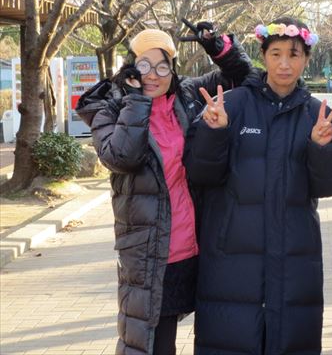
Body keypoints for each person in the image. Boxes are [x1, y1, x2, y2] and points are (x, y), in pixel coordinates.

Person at [76, 27, 251, 354]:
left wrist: (218, 47)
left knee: (200, 334)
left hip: (194, 246)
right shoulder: (109, 108)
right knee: (149, 342)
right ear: (131, 66)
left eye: (162, 66)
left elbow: (244, 78)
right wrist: (136, 100)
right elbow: (122, 157)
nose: (153, 75)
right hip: (150, 252)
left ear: (173, 68)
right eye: (144, 65)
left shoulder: (187, 95)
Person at [184, 18, 332, 354]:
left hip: (294, 255)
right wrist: (214, 133)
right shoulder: (231, 105)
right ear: (263, 56)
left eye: (294, 54)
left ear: (306, 59)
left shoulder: (316, 114)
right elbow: (200, 174)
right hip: (231, 258)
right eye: (276, 54)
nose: (284, 63)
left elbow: (329, 186)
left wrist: (321, 147)